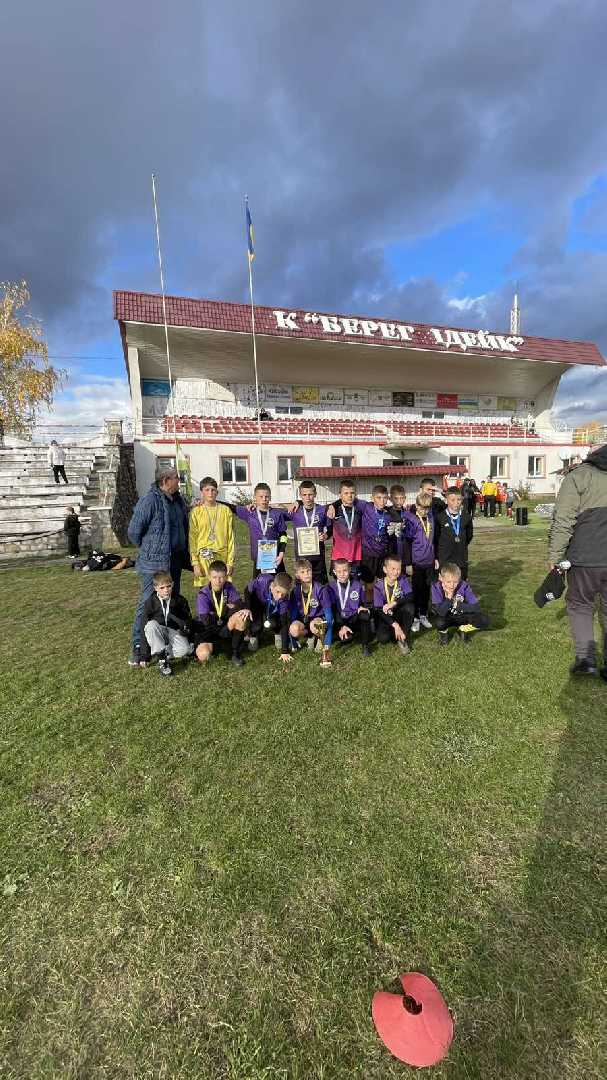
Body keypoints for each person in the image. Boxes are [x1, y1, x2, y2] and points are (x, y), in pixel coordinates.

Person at [548, 442, 607, 677]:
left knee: (580, 606)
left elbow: (563, 520)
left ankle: (585, 659)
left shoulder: (578, 476)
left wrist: (554, 556)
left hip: (585, 559)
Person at [127, 467, 190, 668]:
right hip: (154, 564)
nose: (179, 481)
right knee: (148, 603)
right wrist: (151, 549)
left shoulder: (178, 500)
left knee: (173, 603)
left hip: (176, 561)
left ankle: (168, 643)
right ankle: (139, 648)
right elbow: (134, 531)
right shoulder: (150, 500)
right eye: (176, 478)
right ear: (165, 480)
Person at [195, 559, 250, 668]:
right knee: (203, 655)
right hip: (211, 631)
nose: (218, 581)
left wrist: (243, 609)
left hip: (226, 627)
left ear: (226, 577)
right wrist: (228, 609)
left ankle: (235, 653)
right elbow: (206, 621)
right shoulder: (203, 594)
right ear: (209, 577)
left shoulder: (229, 587)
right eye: (214, 577)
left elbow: (239, 604)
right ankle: (213, 647)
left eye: (221, 577)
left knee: (241, 616)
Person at [139, 570, 194, 676]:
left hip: (173, 632)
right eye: (162, 588)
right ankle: (163, 661)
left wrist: (185, 630)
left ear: (172, 584)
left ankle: (164, 652)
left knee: (184, 650)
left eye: (168, 586)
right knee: (150, 625)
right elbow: (143, 627)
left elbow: (188, 620)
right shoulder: (150, 602)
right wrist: (144, 656)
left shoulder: (180, 600)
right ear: (155, 588)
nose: (166, 590)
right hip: (158, 631)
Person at [230, 483, 288, 577]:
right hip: (259, 558)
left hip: (275, 557)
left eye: (267, 496)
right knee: (259, 587)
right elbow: (231, 507)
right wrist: (210, 500)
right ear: (255, 497)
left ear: (270, 497)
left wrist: (281, 553)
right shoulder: (249, 512)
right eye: (261, 496)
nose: (264, 499)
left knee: (281, 586)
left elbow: (283, 535)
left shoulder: (277, 514)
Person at [189, 476, 235, 589]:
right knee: (205, 594)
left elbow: (231, 538)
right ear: (201, 492)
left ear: (217, 492)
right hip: (203, 559)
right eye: (207, 490)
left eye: (213, 490)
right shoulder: (196, 512)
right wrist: (195, 563)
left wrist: (230, 562)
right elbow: (192, 539)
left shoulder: (225, 511)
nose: (210, 493)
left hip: (222, 557)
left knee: (222, 593)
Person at [430, 563, 489, 646]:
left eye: (455, 582)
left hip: (461, 616)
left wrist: (458, 605)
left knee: (484, 620)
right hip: (446, 618)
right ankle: (444, 636)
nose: (451, 585)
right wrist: (449, 598)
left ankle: (463, 630)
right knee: (439, 622)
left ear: (459, 579)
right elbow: (441, 612)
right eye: (448, 582)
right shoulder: (436, 587)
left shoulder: (464, 586)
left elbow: (476, 607)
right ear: (441, 578)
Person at [323, 558, 372, 656]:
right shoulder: (330, 587)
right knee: (342, 637)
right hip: (338, 619)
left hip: (352, 618)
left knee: (364, 614)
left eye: (345, 571)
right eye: (339, 571)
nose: (342, 574)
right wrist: (341, 625)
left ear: (350, 570)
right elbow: (332, 609)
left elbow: (363, 603)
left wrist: (362, 607)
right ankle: (341, 634)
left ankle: (365, 645)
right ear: (334, 572)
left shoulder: (358, 585)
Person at [404, 492, 438, 632]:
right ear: (416, 506)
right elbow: (407, 543)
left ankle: (423, 615)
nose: (425, 510)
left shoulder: (431, 517)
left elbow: (434, 539)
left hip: (429, 562)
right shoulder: (411, 520)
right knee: (417, 591)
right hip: (417, 562)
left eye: (428, 507)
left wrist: (436, 558)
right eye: (422, 507)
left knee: (426, 590)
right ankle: (416, 618)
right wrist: (408, 563)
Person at [285, 480, 330, 582]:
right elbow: (276, 515)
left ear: (315, 494)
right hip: (302, 557)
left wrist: (326, 535)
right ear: (300, 495)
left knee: (320, 587)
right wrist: (297, 502)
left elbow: (330, 529)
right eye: (304, 495)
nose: (308, 497)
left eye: (310, 494)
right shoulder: (295, 511)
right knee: (302, 588)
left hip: (318, 557)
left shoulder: (322, 510)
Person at [243, 571, 293, 663]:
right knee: (257, 624)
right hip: (256, 599)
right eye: (278, 592)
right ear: (273, 585)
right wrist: (247, 607)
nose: (279, 596)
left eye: (283, 594)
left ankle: (277, 633)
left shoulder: (283, 599)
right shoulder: (262, 580)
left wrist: (284, 651)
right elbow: (247, 590)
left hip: (270, 603)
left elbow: (284, 622)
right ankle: (253, 635)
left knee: (274, 622)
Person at [372, 554, 415, 655]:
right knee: (384, 639)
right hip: (386, 617)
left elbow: (410, 596)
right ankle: (397, 631)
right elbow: (378, 609)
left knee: (410, 607)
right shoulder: (378, 586)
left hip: (398, 613)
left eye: (398, 569)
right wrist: (395, 626)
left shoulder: (402, 580)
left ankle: (403, 637)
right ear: (385, 569)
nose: (396, 572)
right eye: (393, 569)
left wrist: (394, 603)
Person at [288, 558, 333, 652]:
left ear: (312, 571)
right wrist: (293, 642)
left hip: (317, 618)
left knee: (316, 624)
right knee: (294, 629)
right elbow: (293, 615)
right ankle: (310, 636)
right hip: (303, 620)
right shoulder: (295, 591)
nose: (306, 574)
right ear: (297, 575)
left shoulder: (321, 589)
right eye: (302, 572)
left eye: (308, 571)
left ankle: (320, 638)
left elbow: (328, 614)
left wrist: (327, 641)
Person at [434, 487, 474, 579]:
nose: (456, 503)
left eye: (459, 499)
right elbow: (436, 539)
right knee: (446, 584)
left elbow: (469, 536)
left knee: (460, 584)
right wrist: (436, 557)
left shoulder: (466, 517)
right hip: (445, 558)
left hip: (461, 557)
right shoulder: (440, 518)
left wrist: (460, 542)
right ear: (446, 500)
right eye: (452, 500)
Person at [327, 479, 364, 575]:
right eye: (346, 493)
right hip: (338, 556)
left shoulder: (360, 509)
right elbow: (315, 507)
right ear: (340, 494)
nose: (349, 495)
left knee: (355, 586)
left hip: (356, 555)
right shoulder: (334, 509)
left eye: (352, 493)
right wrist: (299, 502)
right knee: (339, 587)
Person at [387, 484, 412, 568]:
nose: (399, 501)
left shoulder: (408, 513)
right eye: (396, 498)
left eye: (401, 498)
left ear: (405, 498)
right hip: (392, 550)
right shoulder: (387, 512)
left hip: (405, 552)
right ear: (390, 499)